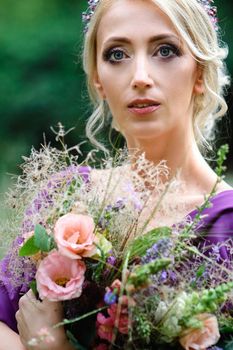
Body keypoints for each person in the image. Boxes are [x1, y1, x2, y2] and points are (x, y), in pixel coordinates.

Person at [0, 0, 233, 348]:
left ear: (199, 72)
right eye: (117, 54)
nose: (140, 77)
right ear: (97, 77)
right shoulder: (64, 197)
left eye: (165, 50)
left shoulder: (226, 224)